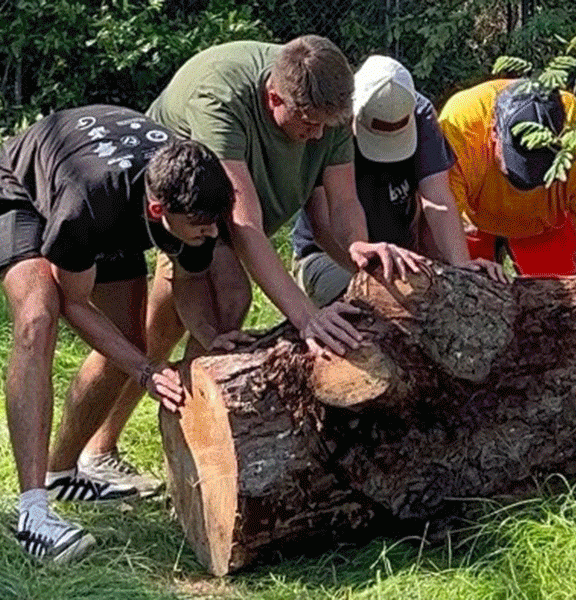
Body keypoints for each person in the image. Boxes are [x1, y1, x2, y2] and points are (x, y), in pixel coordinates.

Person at [0, 105, 233, 564]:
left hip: (116, 203)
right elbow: (74, 303)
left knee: (127, 342)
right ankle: (33, 514)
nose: (212, 233)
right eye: (202, 227)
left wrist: (212, 338)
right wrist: (144, 370)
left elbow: (191, 280)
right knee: (38, 318)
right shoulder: (89, 202)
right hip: (27, 191)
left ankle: (62, 474)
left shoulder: (198, 198)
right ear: (159, 211)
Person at [139, 34, 424, 374]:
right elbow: (244, 222)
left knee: (159, 336)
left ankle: (167, 396)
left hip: (235, 193)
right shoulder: (221, 100)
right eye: (309, 123)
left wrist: (358, 244)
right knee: (225, 299)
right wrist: (307, 317)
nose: (319, 135)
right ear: (274, 97)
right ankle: (172, 400)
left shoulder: (326, 101)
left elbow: (344, 202)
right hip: (187, 198)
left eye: (326, 125)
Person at [291, 55, 511, 306]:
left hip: (402, 256)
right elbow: (321, 224)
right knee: (388, 303)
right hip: (329, 257)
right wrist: (369, 269)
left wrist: (461, 267)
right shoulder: (330, 125)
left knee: (442, 301)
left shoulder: (421, 115)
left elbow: (438, 199)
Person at [436, 78, 576, 279]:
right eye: (519, 162)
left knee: (568, 302)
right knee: (461, 289)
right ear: (494, 131)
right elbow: (436, 219)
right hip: (469, 221)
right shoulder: (460, 126)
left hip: (545, 226)